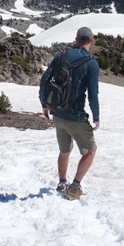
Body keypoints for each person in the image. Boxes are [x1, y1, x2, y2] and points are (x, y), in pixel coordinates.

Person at [39, 26, 100, 200]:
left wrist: (44, 104)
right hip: (76, 116)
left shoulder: (61, 55)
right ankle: (74, 187)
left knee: (64, 150)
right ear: (91, 41)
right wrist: (96, 117)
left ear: (76, 39)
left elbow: (45, 80)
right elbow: (93, 94)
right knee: (90, 150)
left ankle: (61, 183)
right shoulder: (91, 64)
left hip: (57, 113)